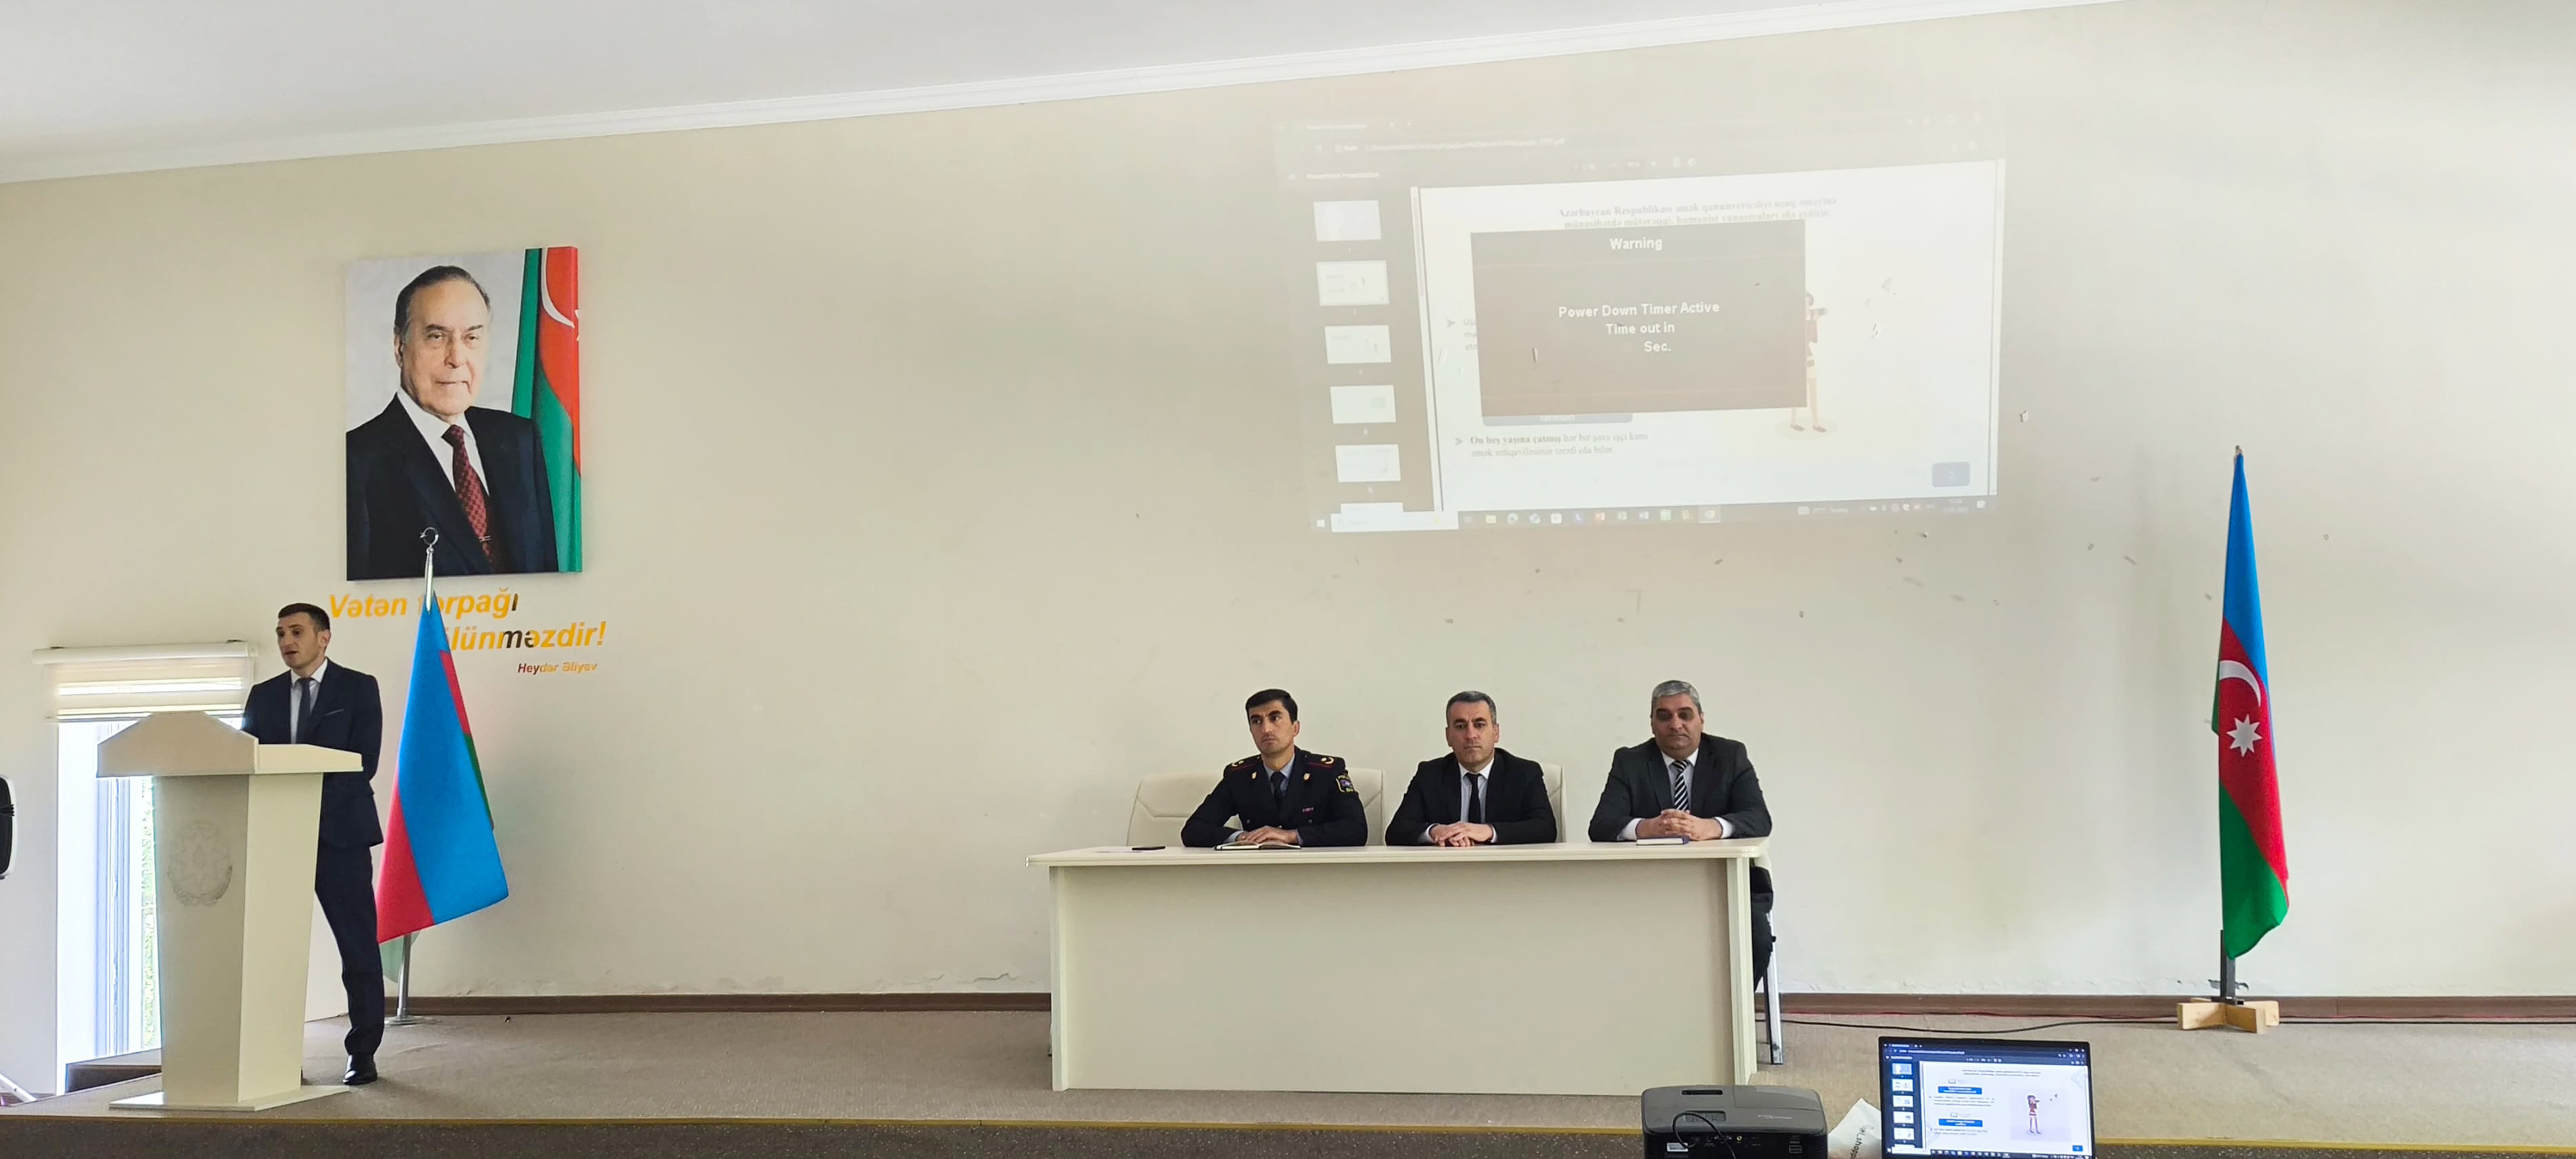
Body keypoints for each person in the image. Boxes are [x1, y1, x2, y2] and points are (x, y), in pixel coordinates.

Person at [237, 603, 387, 1086]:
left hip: (340, 837)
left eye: (297, 631)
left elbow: (362, 762)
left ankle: (363, 1053)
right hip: (279, 839)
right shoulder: (263, 696)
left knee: (357, 947)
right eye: (281, 632)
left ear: (324, 638)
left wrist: (306, 804)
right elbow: (247, 761)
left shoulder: (359, 688)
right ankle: (276, 1055)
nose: (287, 641)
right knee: (273, 950)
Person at [346, 265, 559, 581]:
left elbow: (549, 578)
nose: (457, 357)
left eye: (471, 337)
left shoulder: (519, 439)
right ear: (400, 347)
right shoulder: (356, 460)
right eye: (436, 337)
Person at [1586, 678, 1775, 980]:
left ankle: (1734, 1009)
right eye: (1664, 716)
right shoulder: (1630, 761)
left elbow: (1759, 818)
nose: (1675, 725)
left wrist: (1711, 827)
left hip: (1726, 886)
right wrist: (1646, 828)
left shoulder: (1730, 755)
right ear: (1652, 723)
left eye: (1685, 715)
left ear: (1701, 719)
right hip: (1648, 887)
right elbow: (1601, 825)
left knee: (1756, 939)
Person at [1181, 689, 1366, 848]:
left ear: (1295, 728)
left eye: (1275, 718)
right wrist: (1242, 838)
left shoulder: (1326, 771)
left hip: (1317, 871)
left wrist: (1292, 836)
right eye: (1256, 721)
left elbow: (1356, 829)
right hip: (1257, 872)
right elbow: (1194, 829)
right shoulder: (1238, 776)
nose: (1266, 729)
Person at [1386, 691, 1556, 846]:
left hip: (1504, 868)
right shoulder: (1430, 775)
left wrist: (1489, 831)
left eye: (1479, 725)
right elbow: (1396, 831)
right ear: (1448, 736)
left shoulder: (1524, 773)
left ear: (1496, 732)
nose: (1470, 735)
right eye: (1461, 726)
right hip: (1447, 867)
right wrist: (1435, 831)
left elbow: (1545, 828)